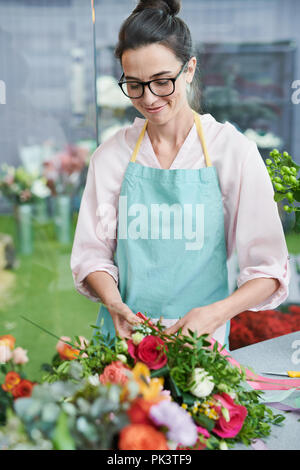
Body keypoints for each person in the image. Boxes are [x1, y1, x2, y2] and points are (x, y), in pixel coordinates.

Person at [70, 0, 290, 348]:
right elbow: (91, 254)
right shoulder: (111, 156)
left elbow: (267, 270)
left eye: (161, 81)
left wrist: (216, 313)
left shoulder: (232, 152)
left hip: (201, 350)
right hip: (125, 346)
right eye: (134, 85)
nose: (149, 98)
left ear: (189, 69)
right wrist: (113, 303)